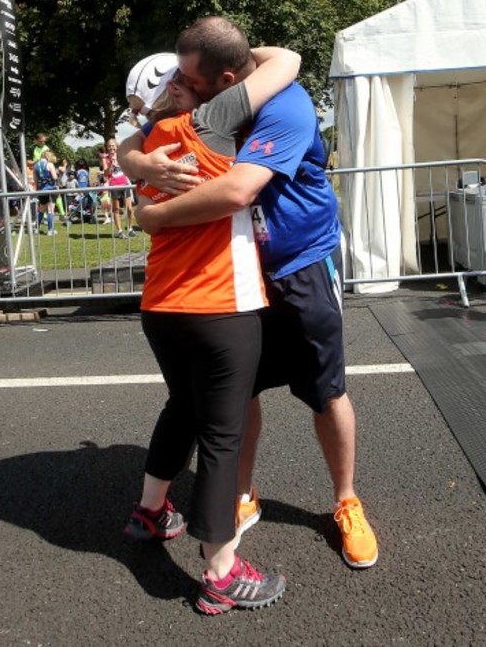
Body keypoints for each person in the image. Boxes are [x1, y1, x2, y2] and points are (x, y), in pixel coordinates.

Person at [119, 16, 378, 571]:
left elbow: (238, 190)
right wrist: (137, 162)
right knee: (239, 396)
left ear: (227, 76)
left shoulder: (283, 104)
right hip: (239, 276)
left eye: (189, 75)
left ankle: (346, 501)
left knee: (325, 391)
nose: (177, 84)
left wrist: (151, 216)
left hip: (301, 267)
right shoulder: (202, 104)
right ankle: (240, 495)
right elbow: (131, 139)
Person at [121, 44, 301, 615]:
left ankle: (150, 511)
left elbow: (130, 145)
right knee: (221, 440)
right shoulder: (210, 118)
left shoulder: (150, 141)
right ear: (181, 86)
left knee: (181, 406)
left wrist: (135, 157)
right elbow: (288, 60)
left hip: (161, 306)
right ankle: (221, 570)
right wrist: (233, 50)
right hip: (221, 304)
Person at [33, 150, 58, 235]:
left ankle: (36, 228)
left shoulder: (35, 166)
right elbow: (54, 177)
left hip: (41, 190)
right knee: (50, 210)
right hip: (51, 189)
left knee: (41, 210)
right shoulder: (50, 164)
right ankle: (50, 230)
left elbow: (35, 180)